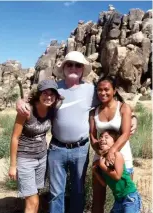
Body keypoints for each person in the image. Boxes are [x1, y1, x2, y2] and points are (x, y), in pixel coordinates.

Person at [16, 51, 137, 213]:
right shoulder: (54, 88)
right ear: (64, 67)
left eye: (78, 65)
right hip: (56, 148)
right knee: (55, 192)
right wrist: (19, 101)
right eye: (70, 64)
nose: (73, 67)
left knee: (78, 191)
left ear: (83, 69)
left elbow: (111, 99)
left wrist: (133, 117)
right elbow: (33, 99)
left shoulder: (91, 90)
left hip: (80, 149)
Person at [8, 79, 62, 213]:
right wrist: (13, 165)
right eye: (45, 93)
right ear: (39, 94)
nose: (48, 97)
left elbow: (65, 97)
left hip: (42, 158)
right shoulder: (26, 111)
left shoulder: (52, 109)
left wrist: (22, 99)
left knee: (34, 196)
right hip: (25, 159)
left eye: (52, 94)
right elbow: (15, 137)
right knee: (33, 201)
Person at [89, 76, 135, 213]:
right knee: (97, 200)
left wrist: (112, 151)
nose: (102, 93)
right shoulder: (94, 112)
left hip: (123, 158)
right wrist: (97, 148)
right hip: (100, 159)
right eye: (99, 90)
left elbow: (126, 133)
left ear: (114, 91)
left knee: (125, 198)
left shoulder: (123, 108)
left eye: (106, 89)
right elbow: (92, 134)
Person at [92, 130, 141, 213]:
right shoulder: (102, 160)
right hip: (118, 199)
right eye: (100, 137)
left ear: (114, 142)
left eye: (106, 137)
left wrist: (102, 166)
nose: (102, 139)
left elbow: (117, 176)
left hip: (129, 196)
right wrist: (96, 172)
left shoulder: (117, 155)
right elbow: (104, 184)